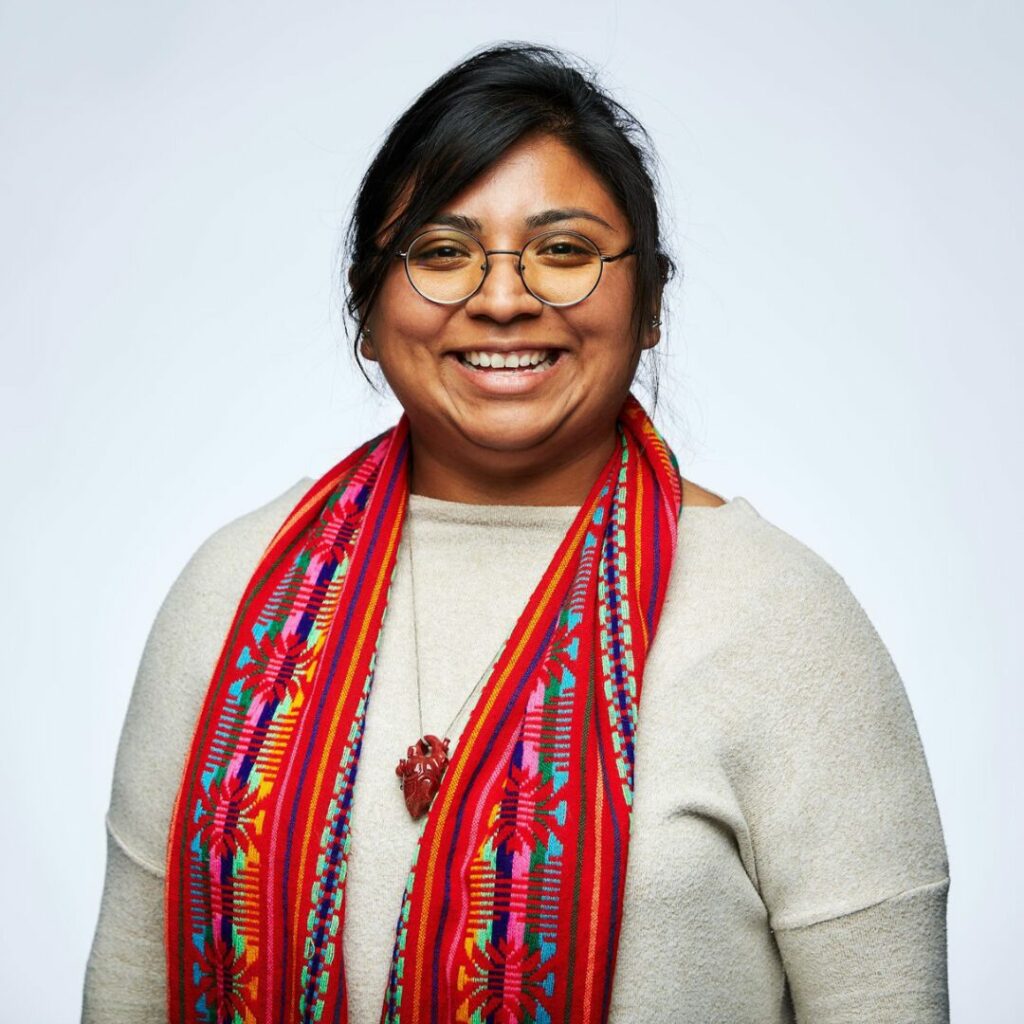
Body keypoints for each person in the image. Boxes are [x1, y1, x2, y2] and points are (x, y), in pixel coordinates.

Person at [82, 41, 950, 1024]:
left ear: (650, 301)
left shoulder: (782, 620)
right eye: (443, 253)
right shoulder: (231, 591)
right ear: (369, 308)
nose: (502, 298)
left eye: (564, 251)